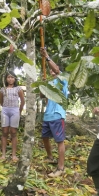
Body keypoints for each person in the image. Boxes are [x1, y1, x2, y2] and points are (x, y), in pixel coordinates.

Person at [40, 47, 68, 178]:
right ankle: (50, 157)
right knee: (44, 137)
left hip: (57, 114)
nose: (52, 71)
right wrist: (42, 84)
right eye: (50, 69)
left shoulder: (62, 80)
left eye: (53, 69)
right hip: (48, 114)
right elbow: (42, 96)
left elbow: (57, 70)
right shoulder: (50, 82)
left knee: (59, 140)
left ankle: (61, 167)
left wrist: (47, 56)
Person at [0, 71, 25, 162]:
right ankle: (3, 154)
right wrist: (5, 108)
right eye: (8, 77)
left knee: (13, 132)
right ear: (6, 79)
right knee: (5, 132)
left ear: (15, 79)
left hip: (15, 110)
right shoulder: (3, 89)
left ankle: (14, 154)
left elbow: (22, 101)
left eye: (12, 77)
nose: (10, 79)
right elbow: (1, 101)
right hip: (5, 110)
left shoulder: (18, 89)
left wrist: (19, 111)